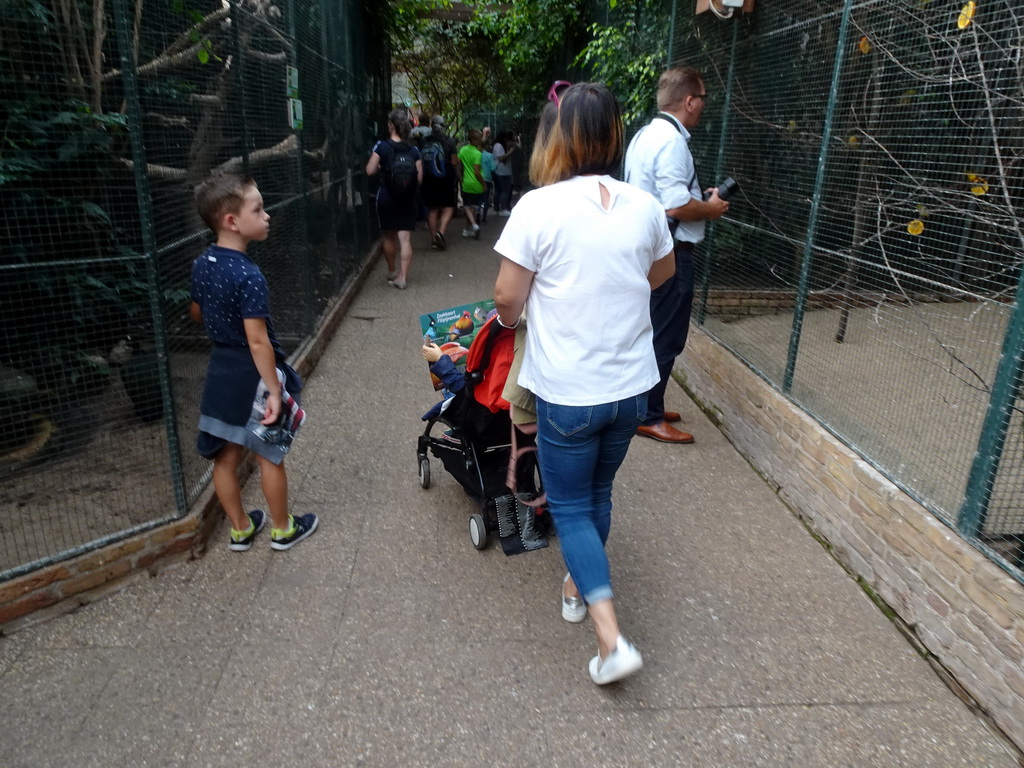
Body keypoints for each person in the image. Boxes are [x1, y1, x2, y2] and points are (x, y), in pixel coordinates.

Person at [493, 83, 675, 685]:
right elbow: (662, 273)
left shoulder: (538, 208)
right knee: (598, 496)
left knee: (570, 506)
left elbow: (506, 298)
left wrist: (511, 323)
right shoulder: (644, 206)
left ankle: (610, 637)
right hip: (631, 390)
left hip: (570, 393)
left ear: (558, 137)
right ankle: (575, 586)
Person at [190, 171, 319, 552]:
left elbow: (196, 313)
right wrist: (275, 392)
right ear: (232, 221)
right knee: (269, 453)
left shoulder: (203, 263)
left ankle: (241, 528)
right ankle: (282, 529)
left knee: (224, 457)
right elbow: (258, 340)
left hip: (220, 370)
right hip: (251, 373)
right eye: (258, 209)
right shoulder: (249, 275)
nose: (267, 216)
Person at [624, 66, 729, 443]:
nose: (703, 106)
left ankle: (645, 403)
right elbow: (674, 205)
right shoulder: (672, 142)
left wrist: (698, 201)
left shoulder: (644, 136)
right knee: (666, 337)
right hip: (671, 253)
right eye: (702, 98)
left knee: (652, 331)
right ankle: (649, 416)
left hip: (647, 249)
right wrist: (711, 208)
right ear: (689, 101)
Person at [366, 108, 423, 289]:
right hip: (408, 198)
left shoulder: (382, 146)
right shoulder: (414, 149)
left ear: (391, 125)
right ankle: (403, 277)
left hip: (387, 196)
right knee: (405, 239)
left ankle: (391, 270)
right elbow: (419, 178)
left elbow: (369, 170)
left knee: (388, 236)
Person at [421, 116, 459, 250]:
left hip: (428, 178)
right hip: (445, 178)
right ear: (443, 126)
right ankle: (440, 233)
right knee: (448, 207)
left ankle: (433, 240)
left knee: (432, 209)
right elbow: (454, 162)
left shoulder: (424, 140)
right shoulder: (449, 141)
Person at [457, 128, 485, 239]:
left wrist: (460, 178)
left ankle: (469, 228)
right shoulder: (478, 154)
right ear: (473, 139)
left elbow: (457, 164)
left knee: (467, 206)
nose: (480, 140)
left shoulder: (463, 150)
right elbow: (477, 172)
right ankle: (473, 225)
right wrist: (483, 184)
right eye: (478, 138)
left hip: (466, 182)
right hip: (476, 183)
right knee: (472, 207)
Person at [492, 130, 517, 215]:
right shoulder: (499, 146)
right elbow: (501, 158)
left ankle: (497, 209)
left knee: (498, 190)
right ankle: (502, 208)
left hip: (501, 171)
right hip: (502, 171)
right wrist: (510, 152)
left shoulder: (497, 145)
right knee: (505, 190)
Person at [480, 139, 497, 223]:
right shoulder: (490, 156)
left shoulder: (477, 154)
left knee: (478, 198)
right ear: (486, 146)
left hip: (478, 178)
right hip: (487, 178)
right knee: (486, 198)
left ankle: (477, 213)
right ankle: (484, 217)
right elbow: (493, 168)